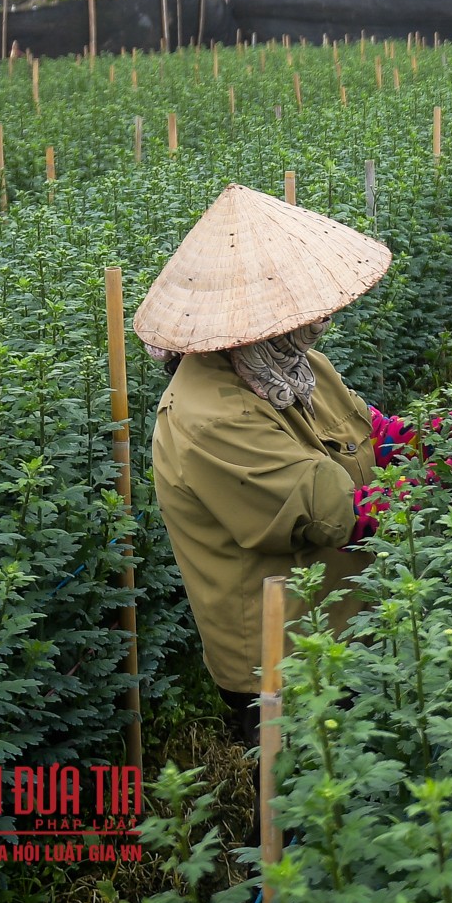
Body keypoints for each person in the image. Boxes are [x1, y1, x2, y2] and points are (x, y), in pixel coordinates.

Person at [133, 183, 434, 746]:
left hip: (343, 616)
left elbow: (370, 434)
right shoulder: (209, 418)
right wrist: (439, 483)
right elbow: (338, 514)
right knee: (298, 807)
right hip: (283, 653)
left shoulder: (294, 367)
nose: (319, 323)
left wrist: (451, 439)